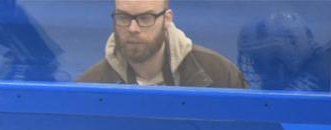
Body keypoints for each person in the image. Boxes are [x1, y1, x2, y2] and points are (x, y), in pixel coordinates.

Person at [77, 0, 247, 88]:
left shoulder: (220, 75)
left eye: (145, 18)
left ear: (167, 19)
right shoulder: (89, 86)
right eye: (123, 17)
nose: (133, 28)